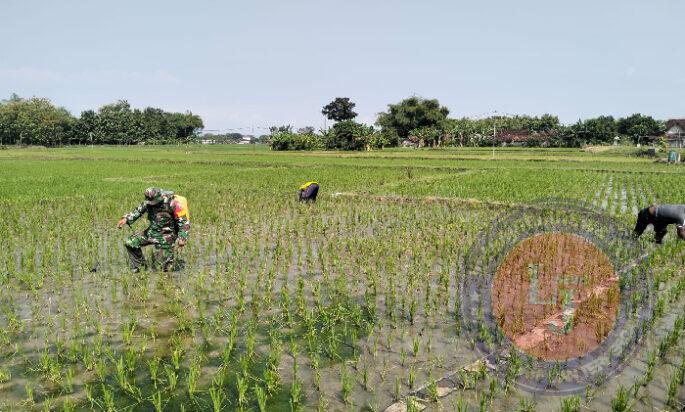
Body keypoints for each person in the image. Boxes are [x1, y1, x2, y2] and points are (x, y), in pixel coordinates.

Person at [117, 187, 190, 271]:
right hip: (151, 233)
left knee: (161, 269)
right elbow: (138, 211)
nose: (152, 204)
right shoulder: (148, 202)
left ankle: (166, 261)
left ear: (161, 197)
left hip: (167, 237)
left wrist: (182, 238)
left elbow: (184, 222)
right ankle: (140, 267)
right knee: (130, 242)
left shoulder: (173, 203)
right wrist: (126, 219)